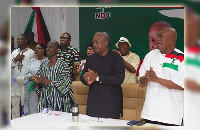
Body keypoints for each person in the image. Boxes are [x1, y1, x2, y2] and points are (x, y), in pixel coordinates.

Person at [139, 27, 184, 126]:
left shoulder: (181, 58)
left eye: (161, 36)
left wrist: (156, 79)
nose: (157, 39)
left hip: (170, 116)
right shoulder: (150, 55)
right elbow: (141, 82)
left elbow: (181, 85)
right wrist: (147, 78)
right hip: (150, 113)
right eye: (158, 36)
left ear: (171, 39)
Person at [81, 32, 125, 119]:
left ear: (106, 42)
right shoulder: (91, 59)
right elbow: (83, 76)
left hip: (111, 105)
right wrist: (87, 79)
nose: (94, 45)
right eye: (93, 42)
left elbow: (119, 78)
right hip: (93, 104)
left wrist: (97, 78)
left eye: (97, 42)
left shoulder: (116, 58)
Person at [32, 40, 76, 112]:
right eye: (47, 47)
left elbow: (65, 85)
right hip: (45, 102)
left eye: (51, 47)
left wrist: (49, 82)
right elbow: (39, 81)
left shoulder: (63, 65)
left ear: (57, 50)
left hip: (60, 103)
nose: (48, 49)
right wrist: (38, 81)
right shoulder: (44, 64)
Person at [11, 34, 35, 119]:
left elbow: (33, 66)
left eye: (21, 39)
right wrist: (15, 59)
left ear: (26, 41)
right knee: (15, 104)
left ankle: (26, 122)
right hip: (14, 82)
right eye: (18, 39)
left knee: (26, 104)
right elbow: (9, 66)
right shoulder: (14, 52)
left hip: (26, 82)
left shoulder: (31, 52)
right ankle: (15, 123)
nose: (18, 41)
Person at [24, 43, 47, 115]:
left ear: (43, 50)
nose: (36, 50)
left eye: (38, 48)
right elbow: (26, 72)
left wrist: (38, 78)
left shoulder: (47, 61)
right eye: (35, 49)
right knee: (30, 103)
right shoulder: (32, 60)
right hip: (30, 85)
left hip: (41, 86)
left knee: (38, 104)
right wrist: (31, 77)